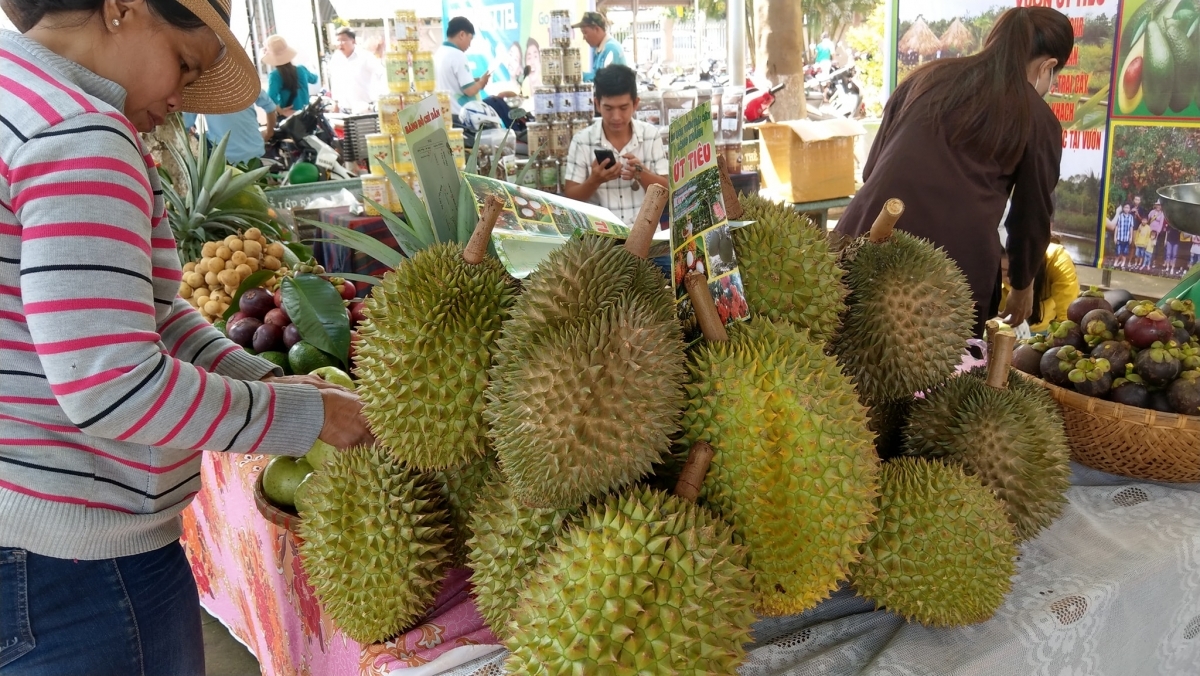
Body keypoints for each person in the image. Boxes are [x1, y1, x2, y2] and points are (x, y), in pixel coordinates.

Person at [0, 1, 373, 673]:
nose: (177, 101)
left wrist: (264, 379)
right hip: (78, 563)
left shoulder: (16, 97)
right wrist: (303, 415)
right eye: (184, 64)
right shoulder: (79, 133)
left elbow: (150, 312)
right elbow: (113, 387)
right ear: (122, 9)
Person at [832, 7, 1073, 337]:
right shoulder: (1037, 117)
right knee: (934, 383)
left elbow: (873, 168)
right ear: (1048, 66)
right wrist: (1022, 285)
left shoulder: (926, 77)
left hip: (859, 239)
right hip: (949, 277)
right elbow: (1032, 215)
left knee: (840, 356)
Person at [563, 64, 669, 224]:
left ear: (635, 104)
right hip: (600, 240)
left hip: (644, 236)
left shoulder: (650, 135)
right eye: (608, 108)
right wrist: (594, 180)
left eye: (623, 108)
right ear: (597, 104)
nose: (616, 117)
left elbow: (666, 190)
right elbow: (570, 197)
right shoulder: (582, 141)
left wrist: (641, 173)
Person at [999, 238, 1079, 334]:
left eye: (1017, 271)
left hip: (1046, 330)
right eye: (1003, 270)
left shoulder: (1057, 260)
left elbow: (1068, 316)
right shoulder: (988, 261)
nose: (1010, 279)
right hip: (1003, 325)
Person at [184, 90, 278, 164]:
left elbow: (185, 128)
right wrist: (269, 133)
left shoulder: (199, 91)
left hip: (225, 160)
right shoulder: (247, 81)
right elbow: (270, 108)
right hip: (256, 153)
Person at [435, 16, 491, 120]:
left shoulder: (439, 52)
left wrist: (473, 81)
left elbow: (451, 82)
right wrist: (481, 82)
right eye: (470, 39)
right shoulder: (457, 55)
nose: (470, 44)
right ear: (462, 35)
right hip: (459, 116)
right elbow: (469, 90)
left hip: (444, 115)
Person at [328, 26, 384, 113]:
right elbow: (335, 84)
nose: (340, 43)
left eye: (343, 40)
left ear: (353, 41)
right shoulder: (335, 59)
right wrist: (336, 105)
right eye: (338, 40)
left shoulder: (365, 57)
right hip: (344, 110)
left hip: (364, 109)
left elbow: (381, 75)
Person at [262, 34, 317, 117]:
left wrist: (280, 110)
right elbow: (314, 79)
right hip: (307, 116)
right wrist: (312, 68)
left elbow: (270, 97)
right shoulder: (302, 69)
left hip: (290, 119)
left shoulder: (275, 76)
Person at [575, 11, 625, 83]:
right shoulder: (598, 50)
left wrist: (579, 75)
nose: (584, 37)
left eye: (585, 32)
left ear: (596, 29)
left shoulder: (611, 49)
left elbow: (606, 81)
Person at [1108, 202, 1136, 270]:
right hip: (1119, 237)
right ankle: (1116, 261)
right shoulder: (1120, 216)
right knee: (1118, 251)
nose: (1126, 209)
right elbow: (1117, 226)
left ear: (1130, 209)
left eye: (1128, 208)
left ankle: (1123, 262)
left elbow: (1131, 228)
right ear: (1123, 208)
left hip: (1126, 238)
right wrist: (1115, 237)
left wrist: (1130, 237)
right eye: (1125, 207)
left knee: (1125, 251)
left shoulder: (1131, 217)